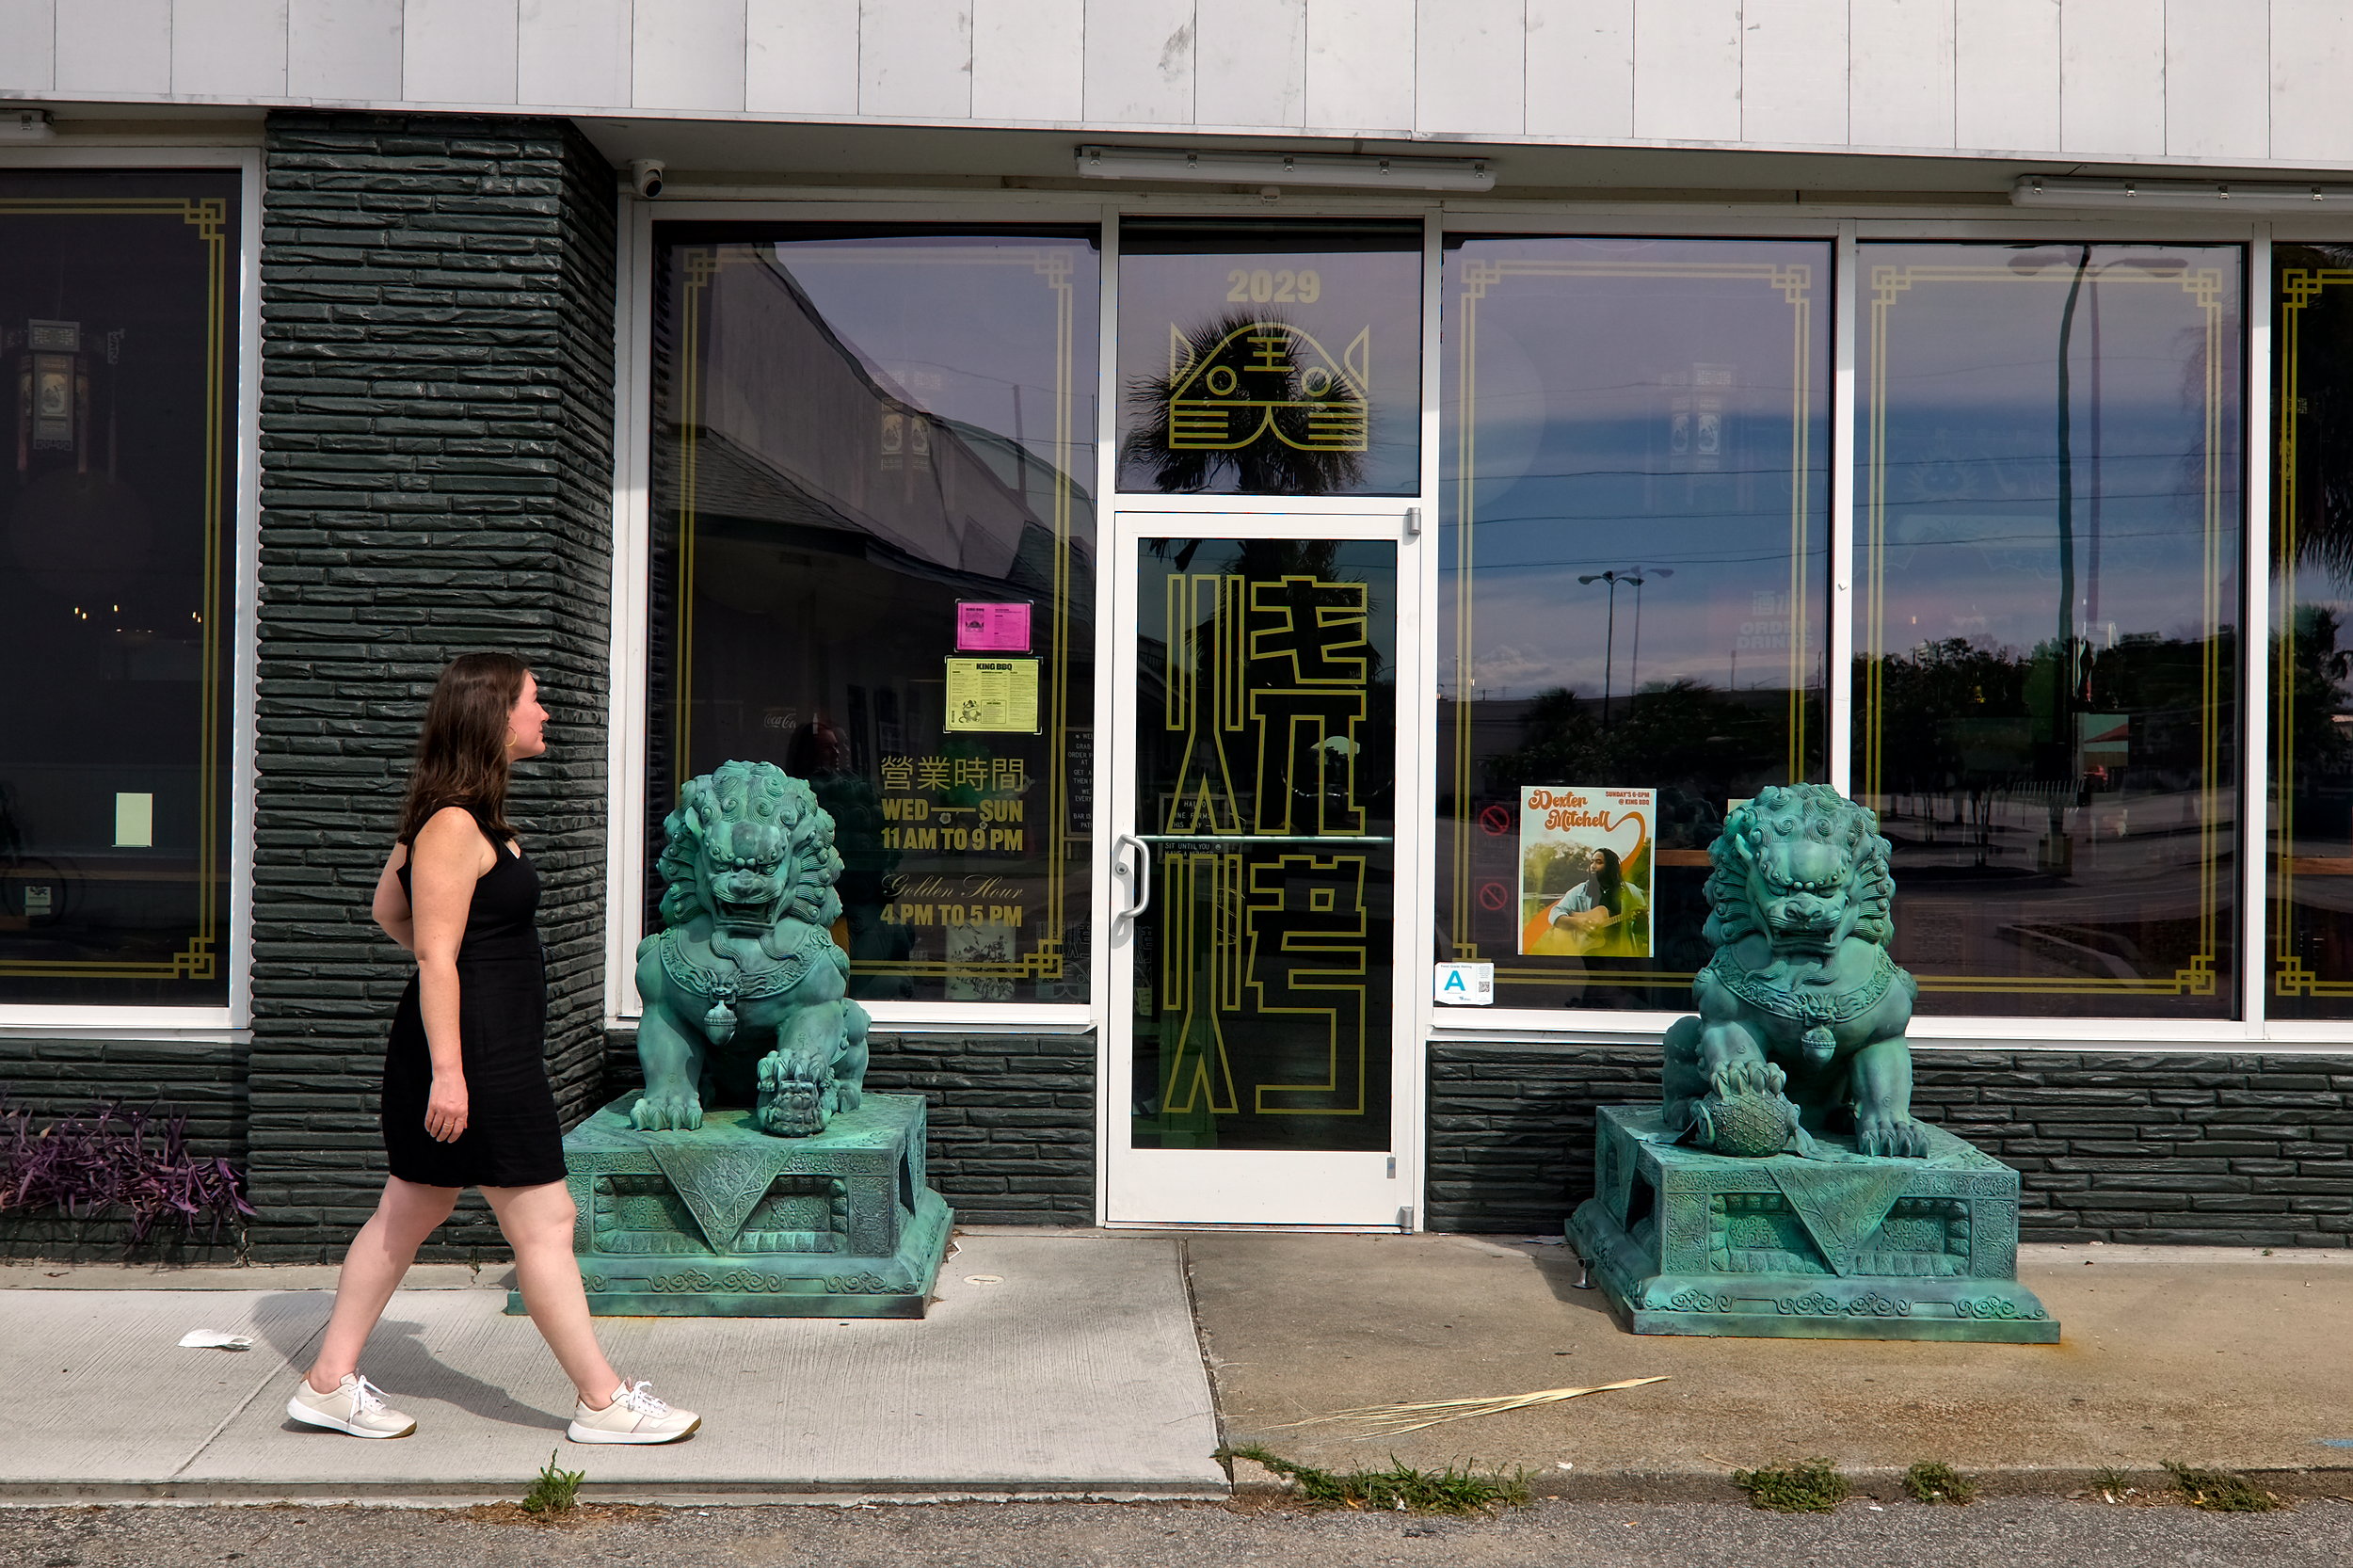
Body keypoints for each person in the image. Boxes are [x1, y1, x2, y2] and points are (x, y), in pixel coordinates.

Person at [286, 653, 698, 1445]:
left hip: (480, 1051)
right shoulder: (449, 825)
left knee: (413, 1208)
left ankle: (328, 1383)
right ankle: (602, 1402)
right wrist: (450, 1072)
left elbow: (388, 909)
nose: (545, 715)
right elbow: (430, 953)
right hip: (475, 1061)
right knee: (546, 1220)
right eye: (534, 702)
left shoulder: (465, 817)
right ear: (494, 715)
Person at [1544, 846, 1650, 955]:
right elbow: (1554, 913)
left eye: (1599, 862)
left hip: (1621, 956)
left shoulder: (1631, 892)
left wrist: (1640, 922)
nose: (1593, 866)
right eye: (1592, 862)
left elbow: (1640, 931)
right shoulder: (1580, 891)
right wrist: (1579, 923)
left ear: (1610, 867)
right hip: (1587, 955)